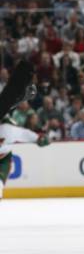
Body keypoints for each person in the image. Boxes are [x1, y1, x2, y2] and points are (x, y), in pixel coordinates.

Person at [0, 61, 49, 200]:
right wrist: (38, 139)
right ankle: (22, 90)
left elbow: (23, 134)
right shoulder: (7, 129)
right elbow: (26, 135)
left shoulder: (7, 130)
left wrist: (38, 139)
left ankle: (22, 91)